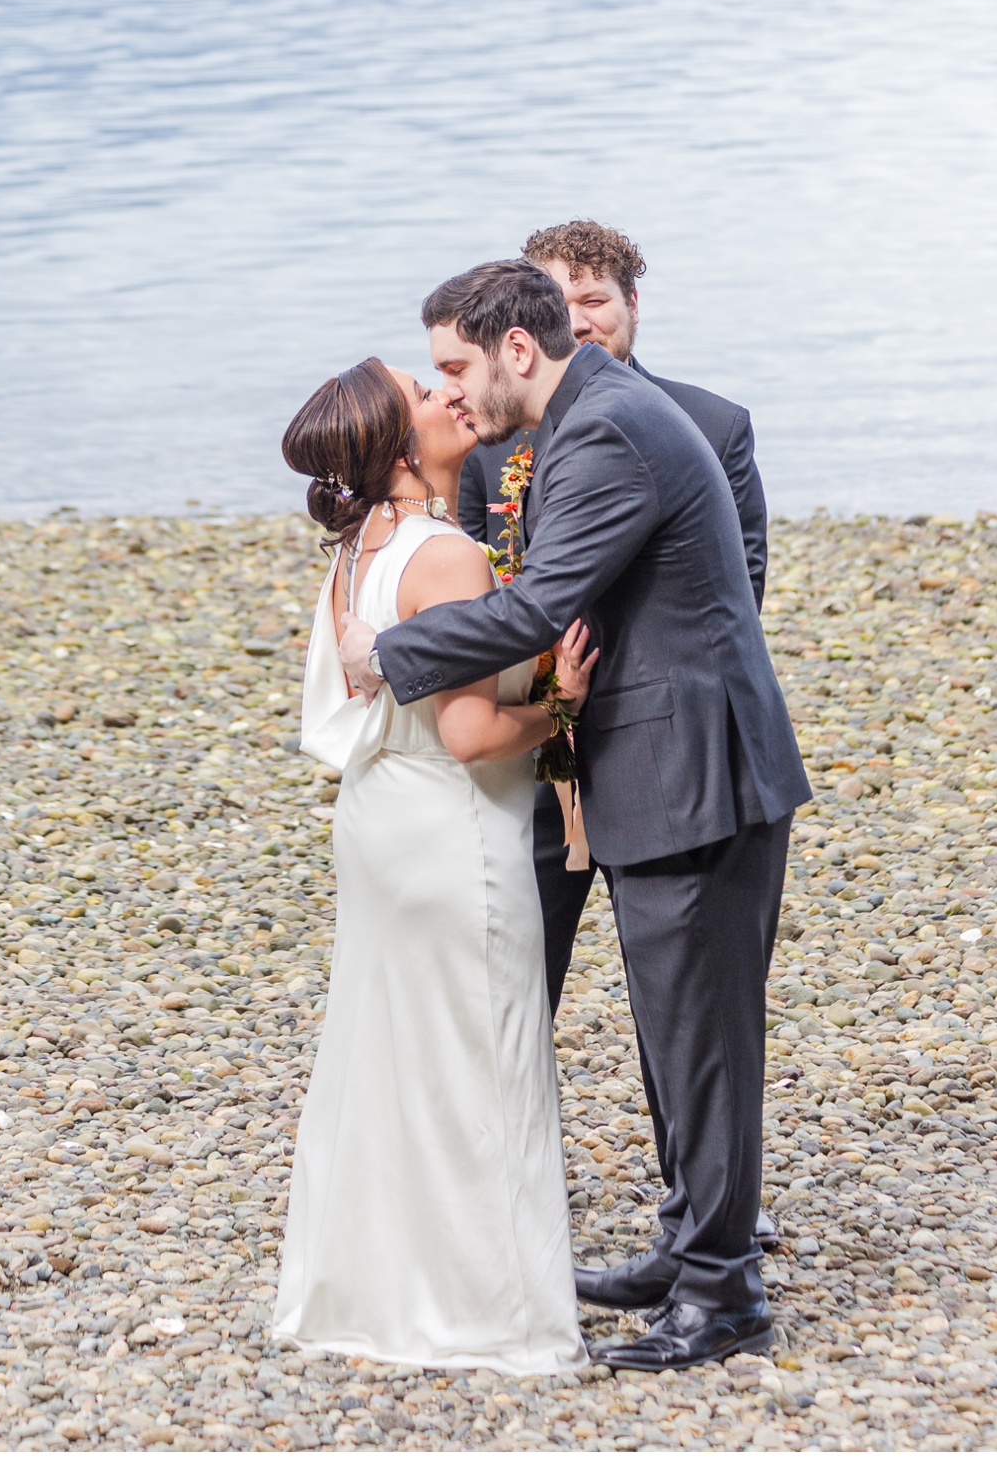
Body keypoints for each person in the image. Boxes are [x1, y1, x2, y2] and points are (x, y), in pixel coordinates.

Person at [339, 262, 812, 1372]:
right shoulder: (597, 414)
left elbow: (540, 601)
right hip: (663, 767)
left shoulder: (602, 433)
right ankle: (687, 1251)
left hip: (693, 775)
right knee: (677, 1035)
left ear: (515, 347)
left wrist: (387, 651)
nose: (453, 391)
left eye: (456, 364)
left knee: (701, 1045)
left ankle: (723, 1295)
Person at [273, 355, 595, 1374]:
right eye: (427, 389)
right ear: (400, 444)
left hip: (379, 825)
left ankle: (366, 1292)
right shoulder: (446, 556)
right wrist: (566, 700)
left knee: (385, 1062)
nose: (453, 393)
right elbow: (467, 729)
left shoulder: (355, 546)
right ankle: (495, 1315)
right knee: (481, 1062)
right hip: (453, 828)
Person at [459, 219, 768, 1020]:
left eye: (594, 299)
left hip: (660, 752)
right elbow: (473, 575)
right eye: (560, 301)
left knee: (687, 1010)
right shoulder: (489, 441)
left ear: (633, 305)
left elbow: (733, 597)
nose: (580, 317)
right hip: (529, 753)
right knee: (508, 994)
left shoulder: (709, 424)